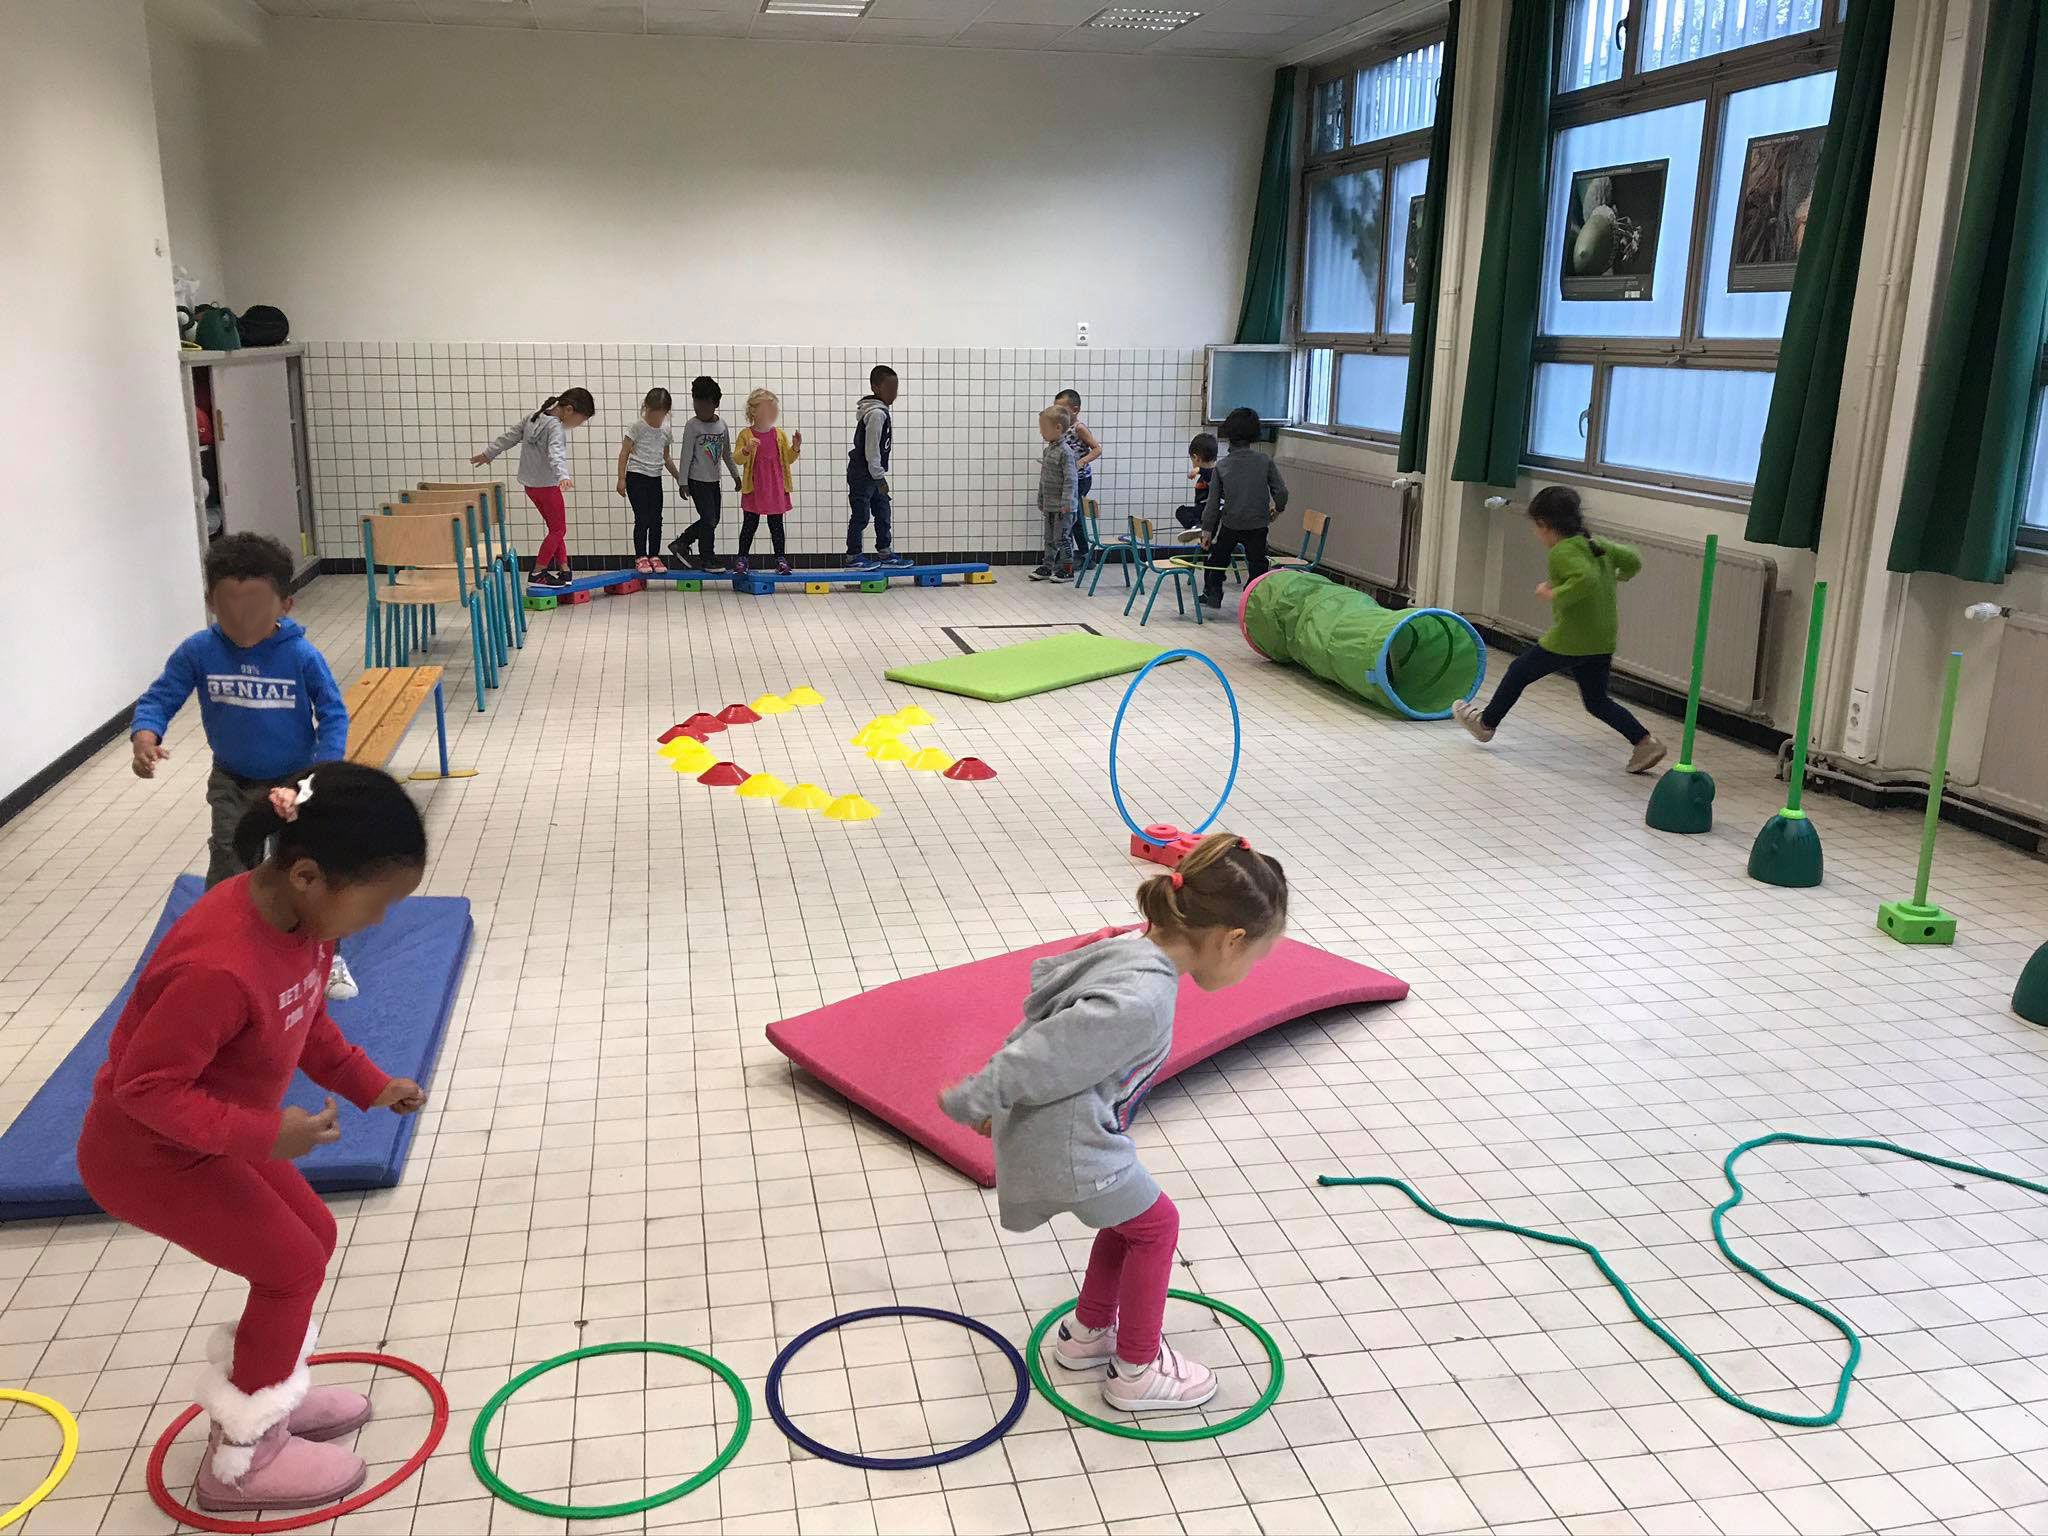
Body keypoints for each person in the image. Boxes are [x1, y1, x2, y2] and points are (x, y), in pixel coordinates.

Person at [77, 763, 430, 1512]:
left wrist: (369, 1084)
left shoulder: (303, 924)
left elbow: (307, 1020)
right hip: (147, 1157)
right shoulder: (217, 964)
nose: (378, 922)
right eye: (376, 904)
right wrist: (269, 1132)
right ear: (307, 874)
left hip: (211, 1139)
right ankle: (242, 1461)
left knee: (314, 1236)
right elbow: (146, 1090)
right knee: (289, 1267)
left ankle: (271, 1387)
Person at [939, 834, 1289, 1412]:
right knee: (1156, 1226)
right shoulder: (1141, 997)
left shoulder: (1133, 949)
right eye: (1257, 956)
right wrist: (978, 1099)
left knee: (1131, 1223)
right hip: (1069, 1143)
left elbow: (1048, 1027)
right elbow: (1043, 1051)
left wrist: (1002, 1105)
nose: (1253, 969)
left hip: (1063, 1130)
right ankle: (1137, 1371)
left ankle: (1089, 1333)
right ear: (1231, 940)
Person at [130, 533, 357, 1000]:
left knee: (307, 865)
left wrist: (319, 774)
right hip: (232, 781)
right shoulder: (199, 651)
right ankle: (224, 951)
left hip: (296, 783)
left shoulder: (299, 655)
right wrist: (145, 735)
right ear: (210, 602)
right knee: (230, 861)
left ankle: (327, 956)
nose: (241, 622)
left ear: (285, 604)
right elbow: (161, 696)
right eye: (229, 608)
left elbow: (333, 713)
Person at [1453, 486, 1667, 774]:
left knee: (1519, 671)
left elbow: (1586, 579)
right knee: (1596, 701)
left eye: (1536, 527)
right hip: (1602, 638)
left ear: (1545, 524)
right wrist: (1619, 576)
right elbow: (1634, 559)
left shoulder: (1562, 551)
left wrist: (1553, 593)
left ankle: (1486, 724)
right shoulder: (1595, 544)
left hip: (1571, 639)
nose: (1536, 534)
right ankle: (1644, 742)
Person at [472, 388, 593, 588]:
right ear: (569, 410)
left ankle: (564, 569)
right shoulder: (555, 427)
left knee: (555, 528)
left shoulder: (534, 417)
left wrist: (489, 453)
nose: (578, 425)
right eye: (580, 420)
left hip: (531, 486)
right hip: (547, 486)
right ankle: (538, 572)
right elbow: (556, 453)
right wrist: (563, 475)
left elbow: (510, 436)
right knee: (559, 529)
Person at [1201, 407, 1287, 609]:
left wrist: (1207, 531)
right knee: (1258, 562)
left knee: (1218, 559)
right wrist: (1278, 509)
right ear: (1256, 433)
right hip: (1258, 524)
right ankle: (1253, 597)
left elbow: (1213, 504)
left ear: (1228, 433)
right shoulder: (1264, 461)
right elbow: (1281, 492)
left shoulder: (1222, 466)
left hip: (1231, 523)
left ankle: (1213, 592)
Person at [668, 376, 742, 574]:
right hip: (696, 480)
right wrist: (683, 482)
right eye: (696, 404)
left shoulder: (721, 425)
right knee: (708, 519)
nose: (699, 409)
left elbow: (726, 453)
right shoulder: (693, 426)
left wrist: (735, 475)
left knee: (713, 519)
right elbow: (686, 454)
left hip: (713, 481)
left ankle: (682, 542)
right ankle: (707, 557)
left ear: (715, 404)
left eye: (704, 405)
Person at [846, 364, 910, 570]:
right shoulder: (876, 414)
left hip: (873, 473)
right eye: (889, 388)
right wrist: (879, 477)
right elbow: (871, 449)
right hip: (863, 474)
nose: (894, 393)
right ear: (875, 387)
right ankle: (854, 556)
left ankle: (885, 552)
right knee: (861, 515)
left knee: (883, 511)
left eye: (896, 388)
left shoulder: (881, 412)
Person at [733, 387, 801, 577]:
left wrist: (795, 448)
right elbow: (737, 458)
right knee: (749, 524)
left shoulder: (779, 435)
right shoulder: (746, 435)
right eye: (767, 409)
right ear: (753, 411)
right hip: (755, 488)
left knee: (776, 525)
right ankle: (742, 558)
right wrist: (746, 449)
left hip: (776, 487)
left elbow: (787, 459)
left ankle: (780, 559)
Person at [616, 387, 678, 575]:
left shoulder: (665, 430)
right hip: (636, 477)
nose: (656, 418)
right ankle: (641, 557)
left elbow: (666, 458)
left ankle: (654, 555)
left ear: (666, 413)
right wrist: (621, 478)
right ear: (646, 407)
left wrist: (679, 478)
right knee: (642, 518)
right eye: (652, 413)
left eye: (660, 415)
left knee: (656, 519)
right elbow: (624, 453)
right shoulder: (637, 427)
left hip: (654, 478)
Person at [1030, 405, 1079, 581]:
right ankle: (1047, 566)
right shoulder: (1048, 450)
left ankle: (1067, 569)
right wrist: (1041, 498)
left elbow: (1071, 480)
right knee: (1049, 538)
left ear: (1058, 428)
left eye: (1044, 428)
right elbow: (1044, 478)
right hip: (1050, 505)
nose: (1041, 432)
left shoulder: (1066, 452)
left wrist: (1067, 502)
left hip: (1063, 507)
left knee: (1062, 538)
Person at [1054, 388, 1102, 565]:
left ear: (1075, 410)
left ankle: (1084, 554)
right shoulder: (1061, 427)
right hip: (1066, 479)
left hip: (1079, 479)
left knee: (1074, 517)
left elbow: (1097, 449)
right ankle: (1070, 553)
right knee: (1068, 517)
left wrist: (1081, 462)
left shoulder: (1079, 428)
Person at [1176, 432, 1219, 540]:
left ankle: (1195, 526)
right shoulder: (1212, 473)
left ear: (1196, 458)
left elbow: (1212, 477)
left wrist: (1199, 470)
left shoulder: (1215, 473)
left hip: (1211, 511)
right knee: (1206, 543)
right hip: (1204, 513)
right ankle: (1197, 527)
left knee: (1181, 511)